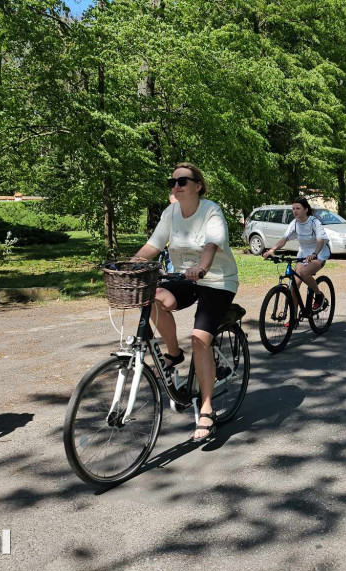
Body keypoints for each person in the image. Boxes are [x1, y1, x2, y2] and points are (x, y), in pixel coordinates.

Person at [133, 163, 239, 442]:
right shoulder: (170, 213)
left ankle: (206, 408)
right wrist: (131, 264)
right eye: (173, 181)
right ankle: (173, 354)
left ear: (198, 185)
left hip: (216, 280)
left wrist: (202, 268)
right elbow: (153, 246)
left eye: (182, 180)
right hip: (185, 277)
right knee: (153, 298)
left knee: (199, 339)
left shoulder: (211, 210)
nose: (176, 185)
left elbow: (211, 245)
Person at [263, 197, 330, 313]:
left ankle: (319, 295)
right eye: (293, 208)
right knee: (293, 287)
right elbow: (284, 239)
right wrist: (271, 250)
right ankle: (293, 318)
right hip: (303, 254)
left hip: (319, 254)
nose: (295, 211)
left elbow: (320, 241)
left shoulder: (314, 222)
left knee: (304, 273)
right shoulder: (294, 224)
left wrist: (314, 254)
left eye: (298, 208)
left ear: (306, 209)